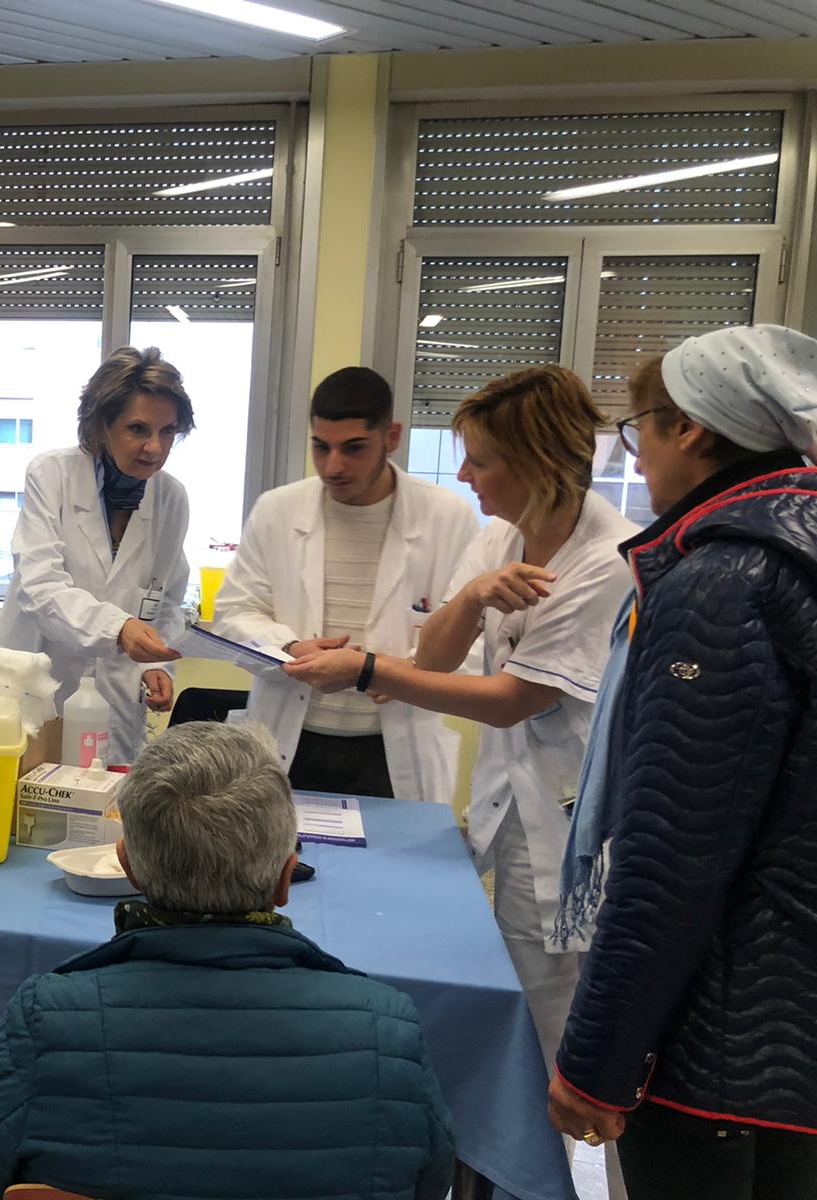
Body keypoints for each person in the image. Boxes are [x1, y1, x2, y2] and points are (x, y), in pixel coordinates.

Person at [284, 365, 636, 1083]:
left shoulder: (608, 561)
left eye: (481, 460)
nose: (466, 474)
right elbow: (436, 657)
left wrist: (365, 670)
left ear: (537, 464)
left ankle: (548, 1150)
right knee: (511, 998)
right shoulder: (504, 536)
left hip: (571, 820)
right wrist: (473, 596)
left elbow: (510, 700)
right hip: (512, 800)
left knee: (551, 1026)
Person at [0, 721, 454, 1200]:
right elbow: (431, 1183)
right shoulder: (389, 1030)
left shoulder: (45, 1020)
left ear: (128, 867)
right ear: (286, 878)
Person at [546, 327, 817, 1198]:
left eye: (640, 431)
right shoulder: (797, 553)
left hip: (726, 1042)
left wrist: (595, 1062)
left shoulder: (722, 583)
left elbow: (675, 852)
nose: (639, 456)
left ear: (690, 427)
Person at [214, 366, 478, 801]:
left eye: (354, 448)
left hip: (391, 750)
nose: (333, 466)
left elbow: (474, 641)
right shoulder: (277, 510)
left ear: (392, 437)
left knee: (396, 847)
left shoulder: (447, 518)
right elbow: (233, 613)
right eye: (321, 447)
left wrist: (397, 673)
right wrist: (290, 647)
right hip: (289, 740)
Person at [0, 346, 193, 763]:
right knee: (28, 797)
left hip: (116, 703)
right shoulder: (52, 475)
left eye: (168, 431)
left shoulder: (171, 498)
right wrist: (118, 628)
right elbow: (39, 587)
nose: (154, 447)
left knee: (106, 797)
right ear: (102, 426)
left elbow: (167, 599)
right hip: (36, 691)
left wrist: (155, 665)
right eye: (138, 429)